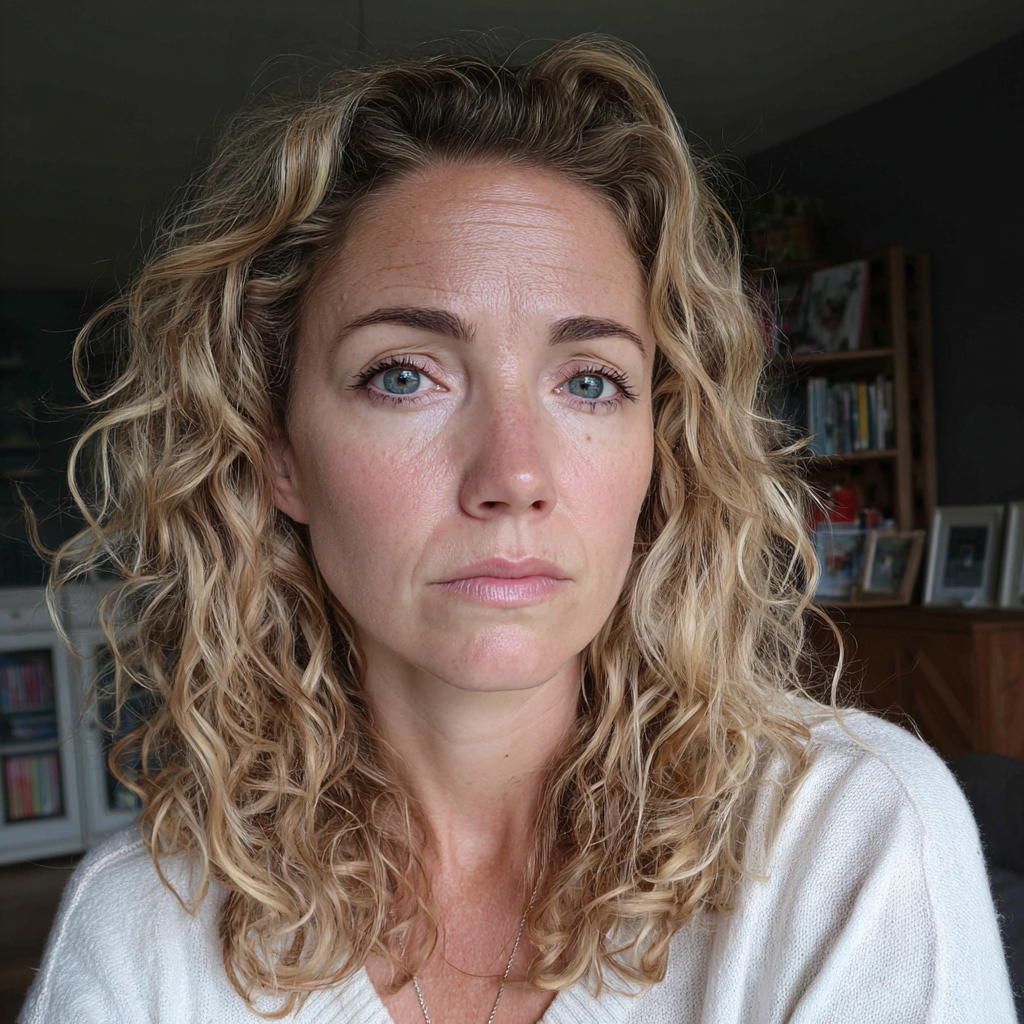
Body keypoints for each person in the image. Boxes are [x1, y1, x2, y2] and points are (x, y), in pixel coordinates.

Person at [21, 36, 1015, 1024]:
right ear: (281, 453)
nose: (514, 476)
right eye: (404, 374)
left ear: (657, 446)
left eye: (587, 381)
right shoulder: (146, 928)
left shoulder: (848, 845)